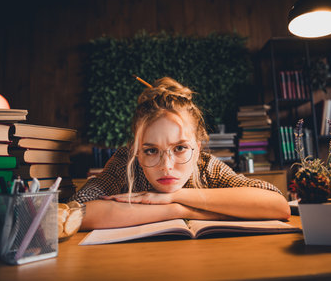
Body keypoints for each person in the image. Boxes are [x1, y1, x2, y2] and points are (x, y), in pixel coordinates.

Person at [71, 77, 290, 230]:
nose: (166, 166)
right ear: (136, 151)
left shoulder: (206, 166)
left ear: (198, 148)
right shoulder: (125, 163)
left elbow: (277, 204)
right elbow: (76, 211)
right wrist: (177, 210)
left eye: (180, 148)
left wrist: (175, 196)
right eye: (150, 150)